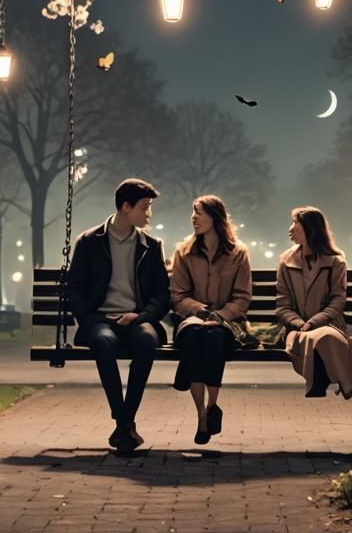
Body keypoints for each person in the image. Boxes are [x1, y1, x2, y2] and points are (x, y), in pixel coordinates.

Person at [65, 179, 171, 457]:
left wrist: (141, 316)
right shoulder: (90, 242)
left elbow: (162, 293)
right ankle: (124, 422)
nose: (149, 214)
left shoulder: (151, 245)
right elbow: (75, 289)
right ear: (126, 207)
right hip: (101, 319)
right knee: (102, 343)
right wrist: (90, 319)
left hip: (137, 318)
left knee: (147, 342)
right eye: (145, 207)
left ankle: (125, 421)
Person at [170, 195, 252, 445]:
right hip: (192, 320)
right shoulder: (184, 252)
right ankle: (201, 416)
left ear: (215, 218)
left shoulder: (238, 253)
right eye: (193, 212)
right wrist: (201, 312)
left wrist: (219, 316)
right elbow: (178, 294)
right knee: (195, 336)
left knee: (213, 337)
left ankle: (212, 405)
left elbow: (242, 297)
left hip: (226, 323)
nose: (193, 218)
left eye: (200, 213)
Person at [275, 206, 352, 399]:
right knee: (311, 337)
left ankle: (320, 382)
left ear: (309, 228)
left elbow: (337, 300)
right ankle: (342, 381)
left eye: (295, 223)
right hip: (296, 329)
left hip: (329, 325)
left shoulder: (334, 262)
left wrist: (314, 322)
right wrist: (300, 323)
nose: (290, 228)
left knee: (323, 335)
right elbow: (282, 305)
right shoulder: (285, 263)